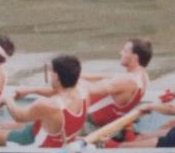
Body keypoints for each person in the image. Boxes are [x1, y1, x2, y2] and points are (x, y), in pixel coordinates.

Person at [14, 37, 152, 135]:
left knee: (44, 121)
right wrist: (73, 73)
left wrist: (65, 75)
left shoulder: (125, 81)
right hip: (108, 122)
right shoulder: (143, 77)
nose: (120, 53)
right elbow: (105, 77)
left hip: (91, 126)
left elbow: (84, 88)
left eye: (125, 51)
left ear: (135, 57)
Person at [0, 54, 86, 148]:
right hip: (60, 140)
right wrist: (31, 90)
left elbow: (19, 115)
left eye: (51, 73)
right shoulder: (82, 91)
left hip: (34, 144)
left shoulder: (47, 105)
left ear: (56, 77)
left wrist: (7, 99)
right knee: (9, 125)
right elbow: (56, 91)